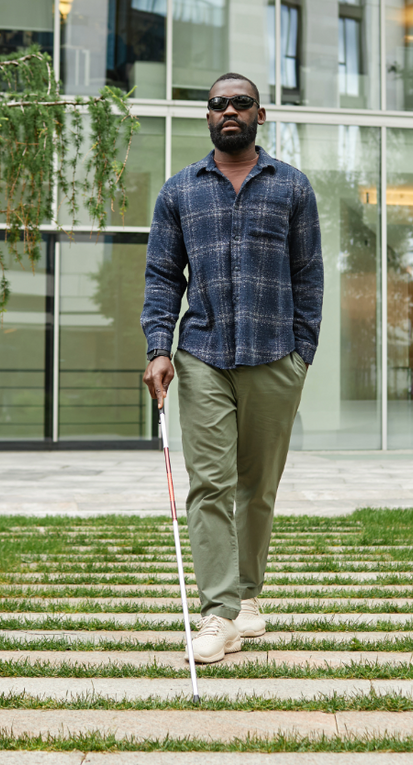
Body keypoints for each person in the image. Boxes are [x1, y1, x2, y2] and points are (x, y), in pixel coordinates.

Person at [141, 72, 324, 663]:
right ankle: (219, 613)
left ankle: (248, 597)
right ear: (208, 116)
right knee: (210, 484)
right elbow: (163, 278)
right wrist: (158, 348)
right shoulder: (178, 192)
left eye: (240, 104)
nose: (228, 112)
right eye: (218, 104)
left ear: (260, 115)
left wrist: (302, 353)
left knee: (258, 487)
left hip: (276, 354)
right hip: (203, 354)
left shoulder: (292, 188)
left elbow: (309, 277)